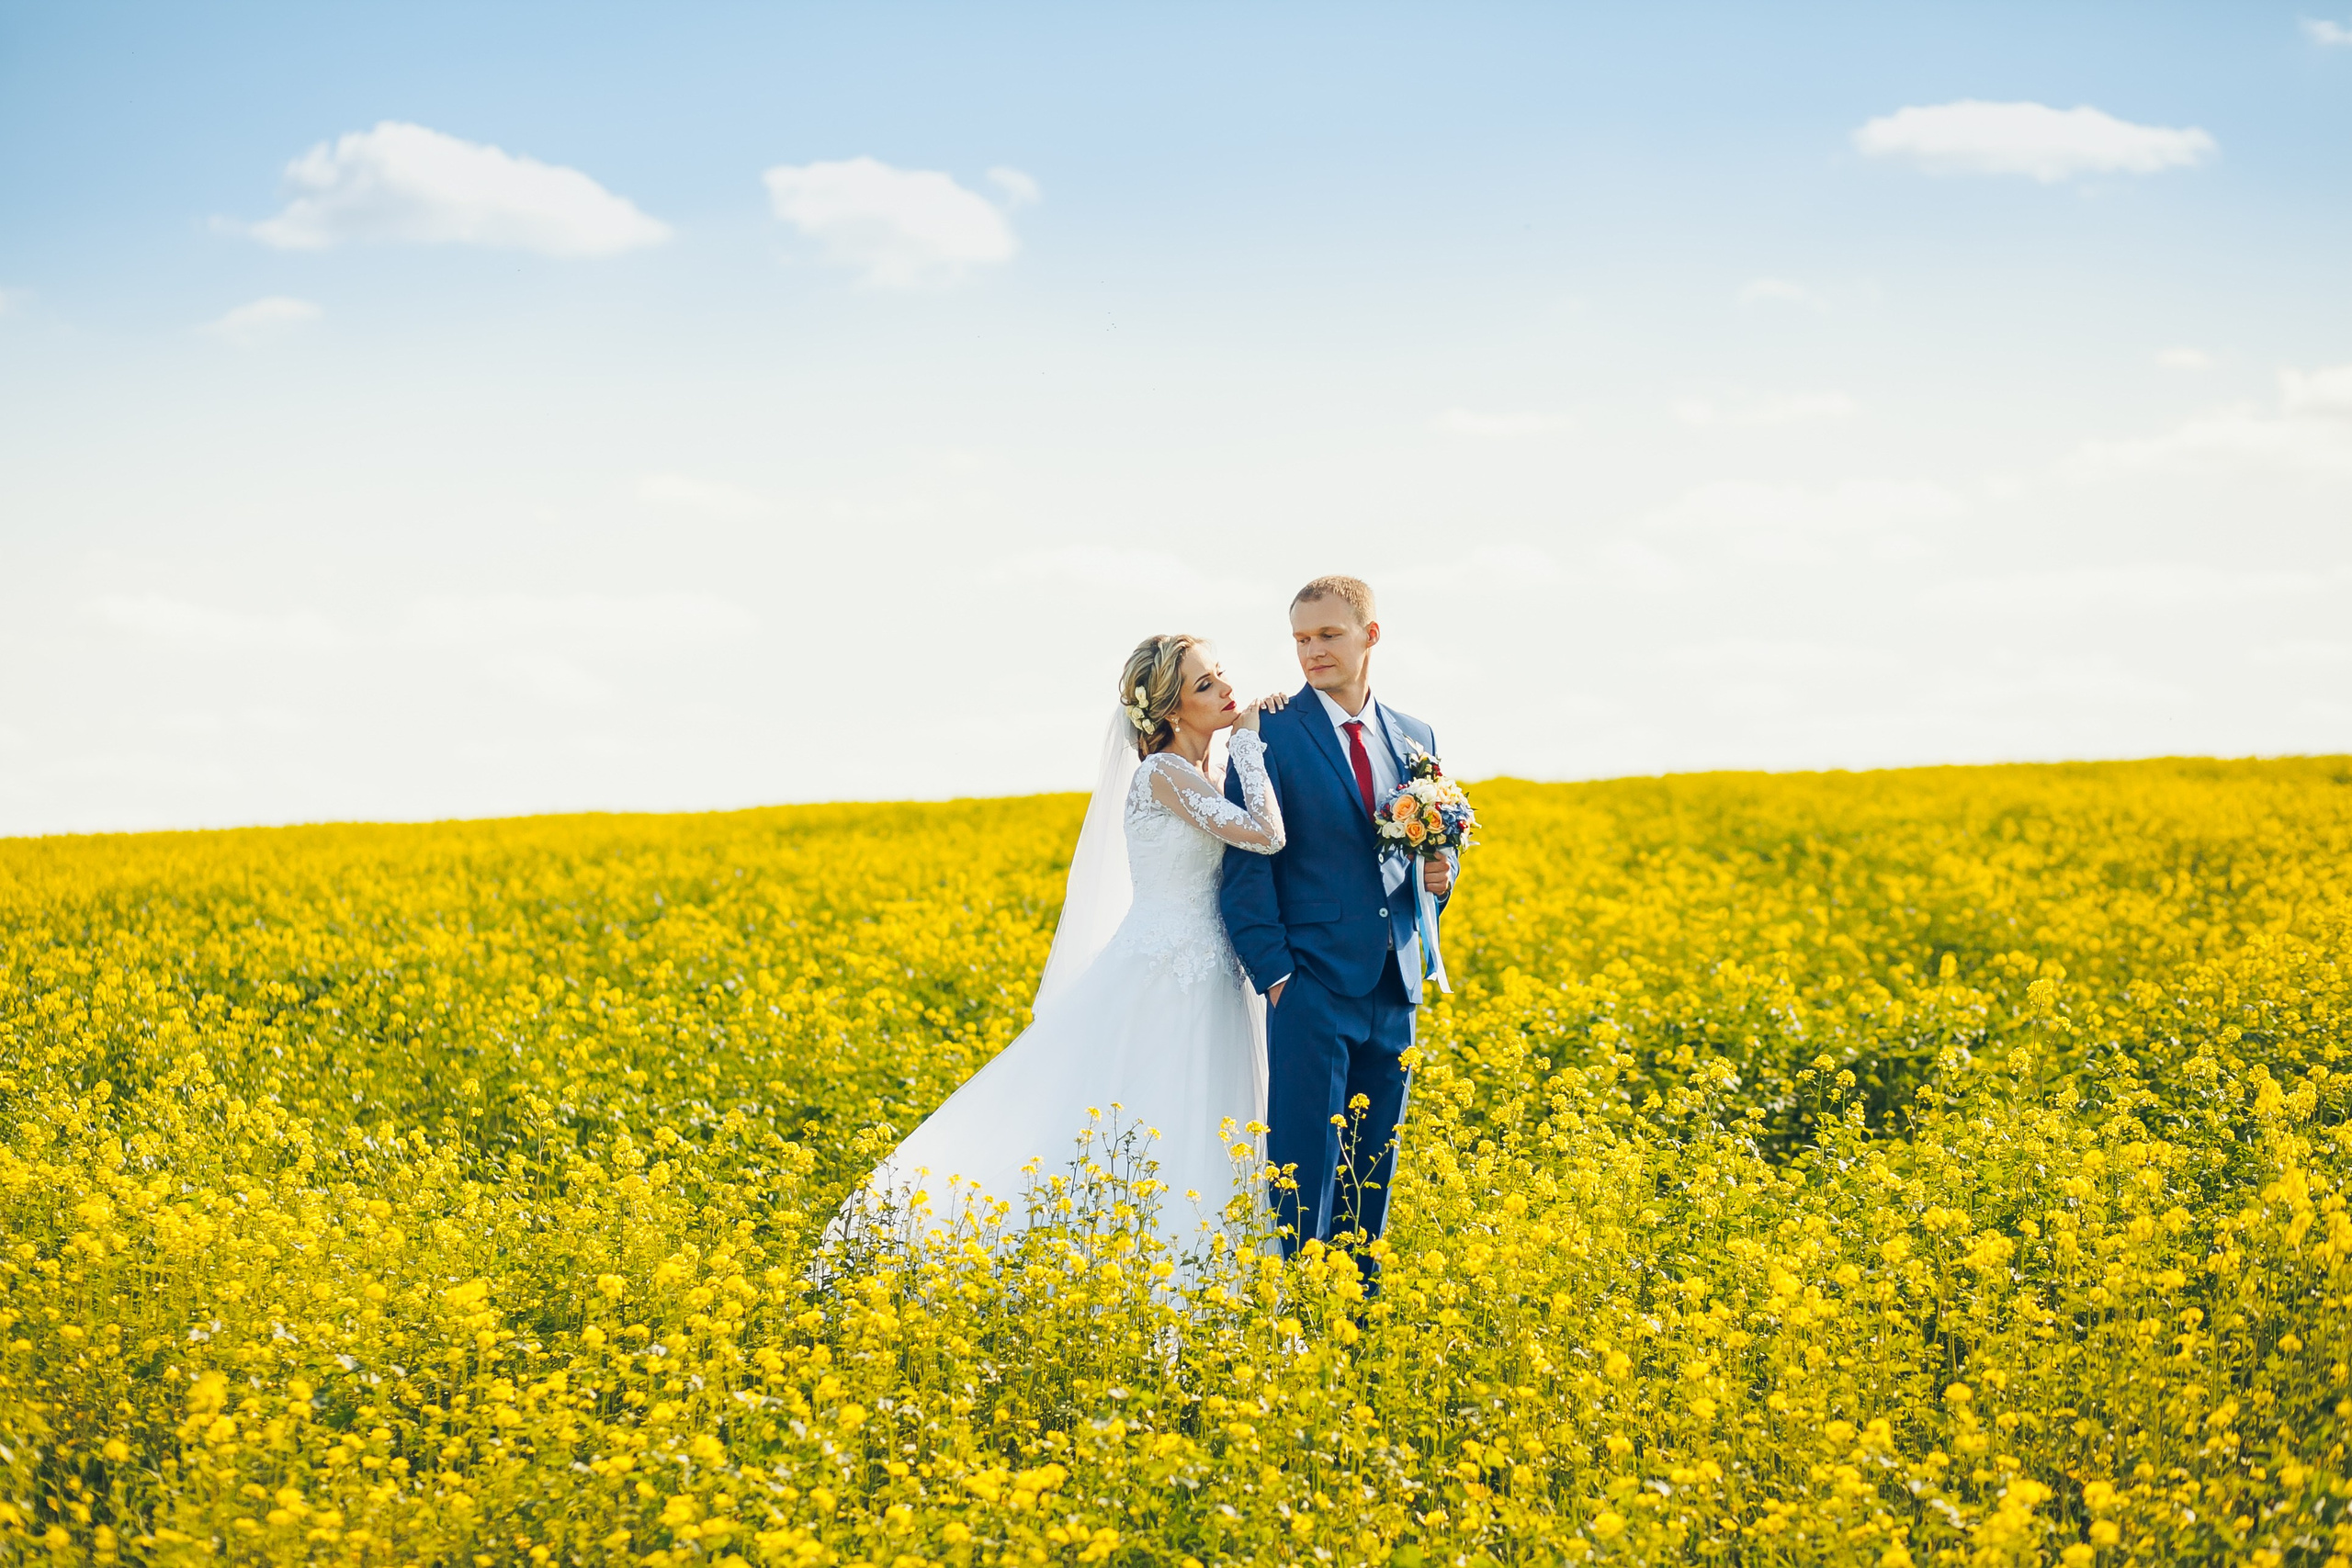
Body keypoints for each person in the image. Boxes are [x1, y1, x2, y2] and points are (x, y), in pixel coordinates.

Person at [844, 634, 1291, 1249]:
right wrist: (1248, 740)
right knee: (1152, 1117)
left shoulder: (1202, 773)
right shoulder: (1163, 774)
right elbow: (1265, 834)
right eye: (1205, 684)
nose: (1227, 690)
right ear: (1170, 711)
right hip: (1163, 972)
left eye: (1221, 674)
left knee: (1207, 1123)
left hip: (1215, 970)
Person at [1218, 576, 1455, 1284]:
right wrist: (1281, 980)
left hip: (1395, 987)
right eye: (1300, 639)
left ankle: (1355, 1329)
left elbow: (1427, 851)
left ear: (1369, 636)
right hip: (1312, 988)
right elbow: (1245, 871)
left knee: (1370, 1179)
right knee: (1301, 1177)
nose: (1311, 651)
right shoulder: (1270, 733)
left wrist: (1441, 874)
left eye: (1327, 635)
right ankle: (1292, 1324)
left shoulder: (1418, 736)